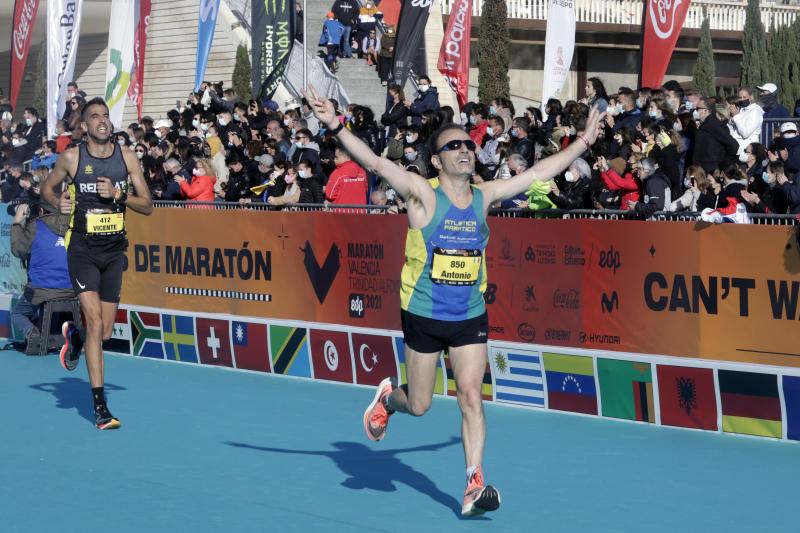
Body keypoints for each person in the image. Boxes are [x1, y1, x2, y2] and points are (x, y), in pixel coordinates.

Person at [304, 84, 603, 517]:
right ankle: (389, 397)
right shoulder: (421, 194)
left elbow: (538, 174)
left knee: (470, 396)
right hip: (423, 314)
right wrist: (335, 124)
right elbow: (373, 161)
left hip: (469, 315)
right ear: (437, 160)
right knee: (421, 405)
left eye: (467, 143)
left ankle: (474, 482)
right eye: (453, 146)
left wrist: (585, 141)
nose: (465, 150)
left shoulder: (485, 196)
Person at [41, 97, 153, 430]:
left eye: (105, 115)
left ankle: (74, 339)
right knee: (92, 317)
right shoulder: (73, 157)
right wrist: (57, 200)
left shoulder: (127, 157)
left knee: (101, 332)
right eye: (95, 117)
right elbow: (47, 189)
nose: (102, 121)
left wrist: (119, 196)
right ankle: (100, 407)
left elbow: (147, 205)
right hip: (83, 251)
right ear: (85, 126)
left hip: (114, 252)